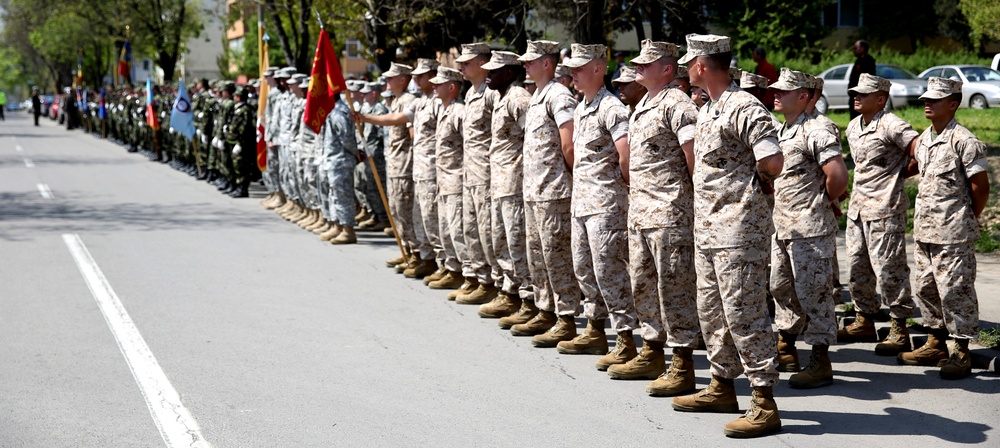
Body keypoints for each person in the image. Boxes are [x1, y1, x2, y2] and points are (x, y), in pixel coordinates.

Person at [670, 34, 784, 439]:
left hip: (738, 232)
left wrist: (756, 186)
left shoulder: (743, 106)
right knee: (713, 313)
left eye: (689, 62)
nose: (686, 67)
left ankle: (764, 400)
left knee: (745, 314)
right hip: (709, 230)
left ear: (702, 64)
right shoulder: (710, 108)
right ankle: (721, 386)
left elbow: (772, 159)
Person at [605, 40, 700, 397]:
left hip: (670, 215)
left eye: (647, 64)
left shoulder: (678, 104)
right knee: (643, 286)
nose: (638, 68)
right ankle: (652, 351)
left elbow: (693, 161)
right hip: (642, 213)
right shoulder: (643, 103)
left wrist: (694, 206)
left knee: (674, 290)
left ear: (667, 69)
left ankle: (683, 364)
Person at [555, 43, 640, 373]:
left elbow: (626, 157)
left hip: (606, 205)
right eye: (571, 68)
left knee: (610, 273)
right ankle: (594, 329)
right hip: (582, 204)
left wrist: (618, 192)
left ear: (597, 68)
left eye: (578, 68)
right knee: (584, 269)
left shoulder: (612, 108)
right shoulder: (581, 107)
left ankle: (626, 339)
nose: (572, 73)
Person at [898, 77, 989, 380]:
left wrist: (967, 217)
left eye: (935, 100)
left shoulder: (964, 140)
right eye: (926, 99)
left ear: (953, 103)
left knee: (955, 290)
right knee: (925, 288)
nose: (927, 103)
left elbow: (980, 187)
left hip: (953, 232)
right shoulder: (924, 138)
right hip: (925, 230)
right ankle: (935, 341)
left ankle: (962, 350)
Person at [768, 68, 849, 389]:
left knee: (814, 293)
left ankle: (820, 358)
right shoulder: (781, 130)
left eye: (783, 91)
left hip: (811, 228)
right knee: (780, 287)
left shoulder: (817, 130)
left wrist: (822, 203)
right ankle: (787, 345)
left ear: (803, 96)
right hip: (783, 226)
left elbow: (838, 177)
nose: (775, 94)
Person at [502, 40, 580, 342]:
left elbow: (568, 144)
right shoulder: (537, 96)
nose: (525, 65)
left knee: (556, 257)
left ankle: (566, 317)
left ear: (547, 63)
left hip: (554, 192)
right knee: (538, 256)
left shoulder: (558, 95)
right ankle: (545, 310)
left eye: (531, 61)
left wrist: (572, 180)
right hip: (535, 192)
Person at [838, 73, 919, 357]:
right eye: (855, 93)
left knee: (889, 270)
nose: (856, 97)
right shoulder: (852, 126)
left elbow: (920, 150)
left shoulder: (891, 124)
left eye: (863, 94)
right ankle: (864, 320)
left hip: (885, 209)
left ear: (881, 99)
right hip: (859, 209)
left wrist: (900, 173)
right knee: (857, 269)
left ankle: (899, 328)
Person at [478, 51, 533, 321]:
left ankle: (529, 301)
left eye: (494, 70)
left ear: (510, 73)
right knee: (502, 241)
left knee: (517, 243)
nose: (487, 74)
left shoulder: (519, 99)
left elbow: (534, 139)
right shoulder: (501, 98)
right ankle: (510, 293)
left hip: (515, 183)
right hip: (500, 183)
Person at [455, 44, 504, 305]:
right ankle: (481, 279)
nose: (461, 66)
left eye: (467, 62)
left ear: (483, 63)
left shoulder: (491, 94)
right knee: (471, 230)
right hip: (470, 173)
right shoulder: (470, 94)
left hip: (486, 174)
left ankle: (497, 284)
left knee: (488, 232)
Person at [427, 68, 467, 290]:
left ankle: (466, 274)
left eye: (439, 83)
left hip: (456, 180)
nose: (434, 86)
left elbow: (469, 146)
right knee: (445, 229)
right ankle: (452, 269)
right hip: (443, 180)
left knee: (457, 230)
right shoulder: (443, 111)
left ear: (452, 87)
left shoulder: (460, 112)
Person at [320, 83, 361, 244]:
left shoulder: (339, 113)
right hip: (334, 160)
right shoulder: (334, 110)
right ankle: (338, 225)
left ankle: (348, 230)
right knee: (335, 195)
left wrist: (355, 152)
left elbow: (347, 139)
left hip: (341, 161)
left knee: (343, 196)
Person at [848, 40, 876, 119]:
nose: (854, 50)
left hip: (863, 94)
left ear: (862, 49)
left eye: (855, 48)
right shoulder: (857, 61)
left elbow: (869, 78)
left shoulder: (869, 61)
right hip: (853, 94)